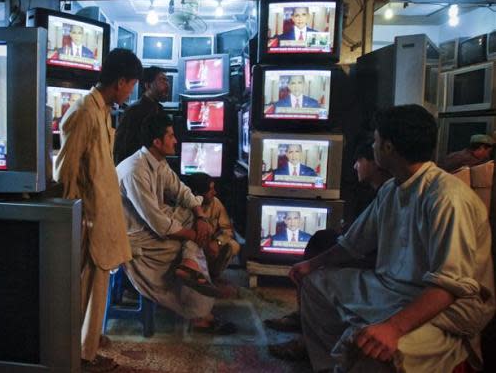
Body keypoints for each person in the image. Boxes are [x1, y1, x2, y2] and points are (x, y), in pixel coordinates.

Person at [282, 105, 495, 372]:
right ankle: (330, 366)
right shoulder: (391, 190)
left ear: (388, 148)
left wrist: (393, 329)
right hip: (391, 289)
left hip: (443, 307)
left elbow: (449, 286)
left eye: (376, 140)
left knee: (372, 353)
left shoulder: (447, 197)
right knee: (314, 284)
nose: (372, 146)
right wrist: (310, 265)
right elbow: (353, 244)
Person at [53, 48, 142, 372]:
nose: (131, 91)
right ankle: (82, 357)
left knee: (96, 287)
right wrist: (75, 220)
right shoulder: (84, 111)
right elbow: (65, 171)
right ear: (120, 82)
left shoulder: (102, 109)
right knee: (84, 290)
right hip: (88, 220)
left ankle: (87, 344)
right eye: (131, 84)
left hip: (101, 217)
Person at [265, 136, 392, 360]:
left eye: (359, 160)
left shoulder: (391, 191)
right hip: (369, 257)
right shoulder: (378, 191)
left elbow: (361, 242)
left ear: (375, 161)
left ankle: (307, 336)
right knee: (322, 242)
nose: (355, 166)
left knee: (321, 243)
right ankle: (305, 317)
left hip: (380, 266)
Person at [117, 114, 236, 335]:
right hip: (137, 237)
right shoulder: (135, 171)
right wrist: (196, 236)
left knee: (198, 214)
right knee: (192, 242)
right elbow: (158, 223)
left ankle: (189, 264)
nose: (176, 141)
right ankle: (201, 314)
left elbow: (182, 191)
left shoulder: (156, 162)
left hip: (152, 226)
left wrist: (200, 219)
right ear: (157, 142)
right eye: (171, 136)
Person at [185, 172, 241, 279]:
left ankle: (213, 276)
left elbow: (227, 230)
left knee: (233, 246)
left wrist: (218, 242)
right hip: (190, 247)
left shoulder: (215, 203)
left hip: (209, 248)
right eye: (210, 190)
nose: (214, 192)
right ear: (198, 194)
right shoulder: (183, 206)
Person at [113, 66, 169, 165]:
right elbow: (120, 149)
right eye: (162, 80)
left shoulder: (160, 110)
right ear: (148, 85)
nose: (167, 85)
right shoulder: (133, 111)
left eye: (167, 81)